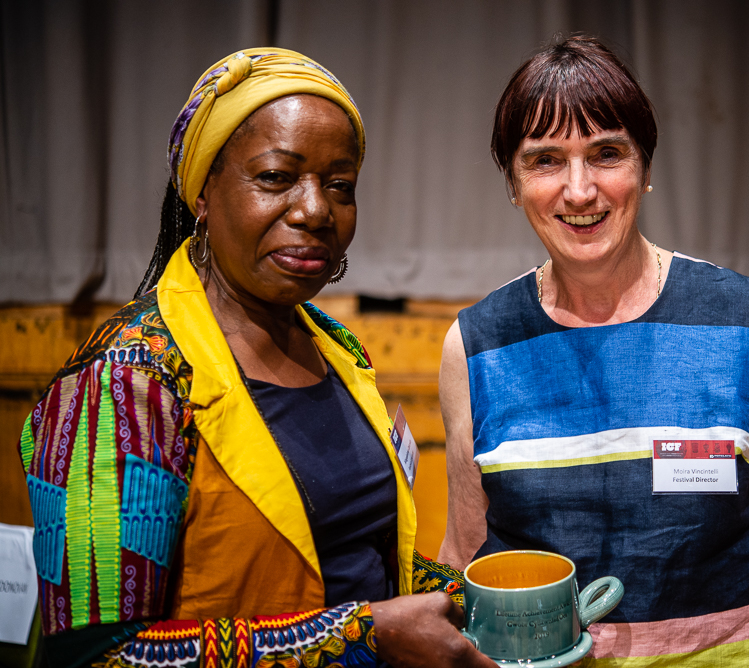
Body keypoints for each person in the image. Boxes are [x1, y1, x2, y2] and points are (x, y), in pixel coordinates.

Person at [19, 48, 491, 668]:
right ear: (203, 193)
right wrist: (363, 639)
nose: (315, 209)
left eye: (339, 184)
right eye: (275, 177)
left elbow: (352, 557)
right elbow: (93, 657)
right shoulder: (124, 388)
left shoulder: (338, 351)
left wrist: (478, 597)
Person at [437, 36, 749, 666]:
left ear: (645, 170)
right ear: (513, 184)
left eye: (606, 154)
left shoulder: (748, 321)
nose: (579, 190)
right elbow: (465, 562)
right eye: (545, 161)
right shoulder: (476, 345)